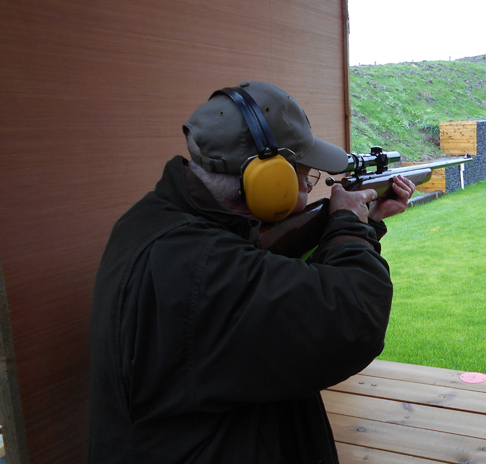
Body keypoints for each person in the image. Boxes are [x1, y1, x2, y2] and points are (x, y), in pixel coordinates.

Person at [89, 81, 415, 463]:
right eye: (305, 176)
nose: (307, 188)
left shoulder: (156, 222)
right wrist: (348, 224)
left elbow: (277, 290)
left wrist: (364, 223)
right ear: (269, 181)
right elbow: (354, 315)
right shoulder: (205, 267)